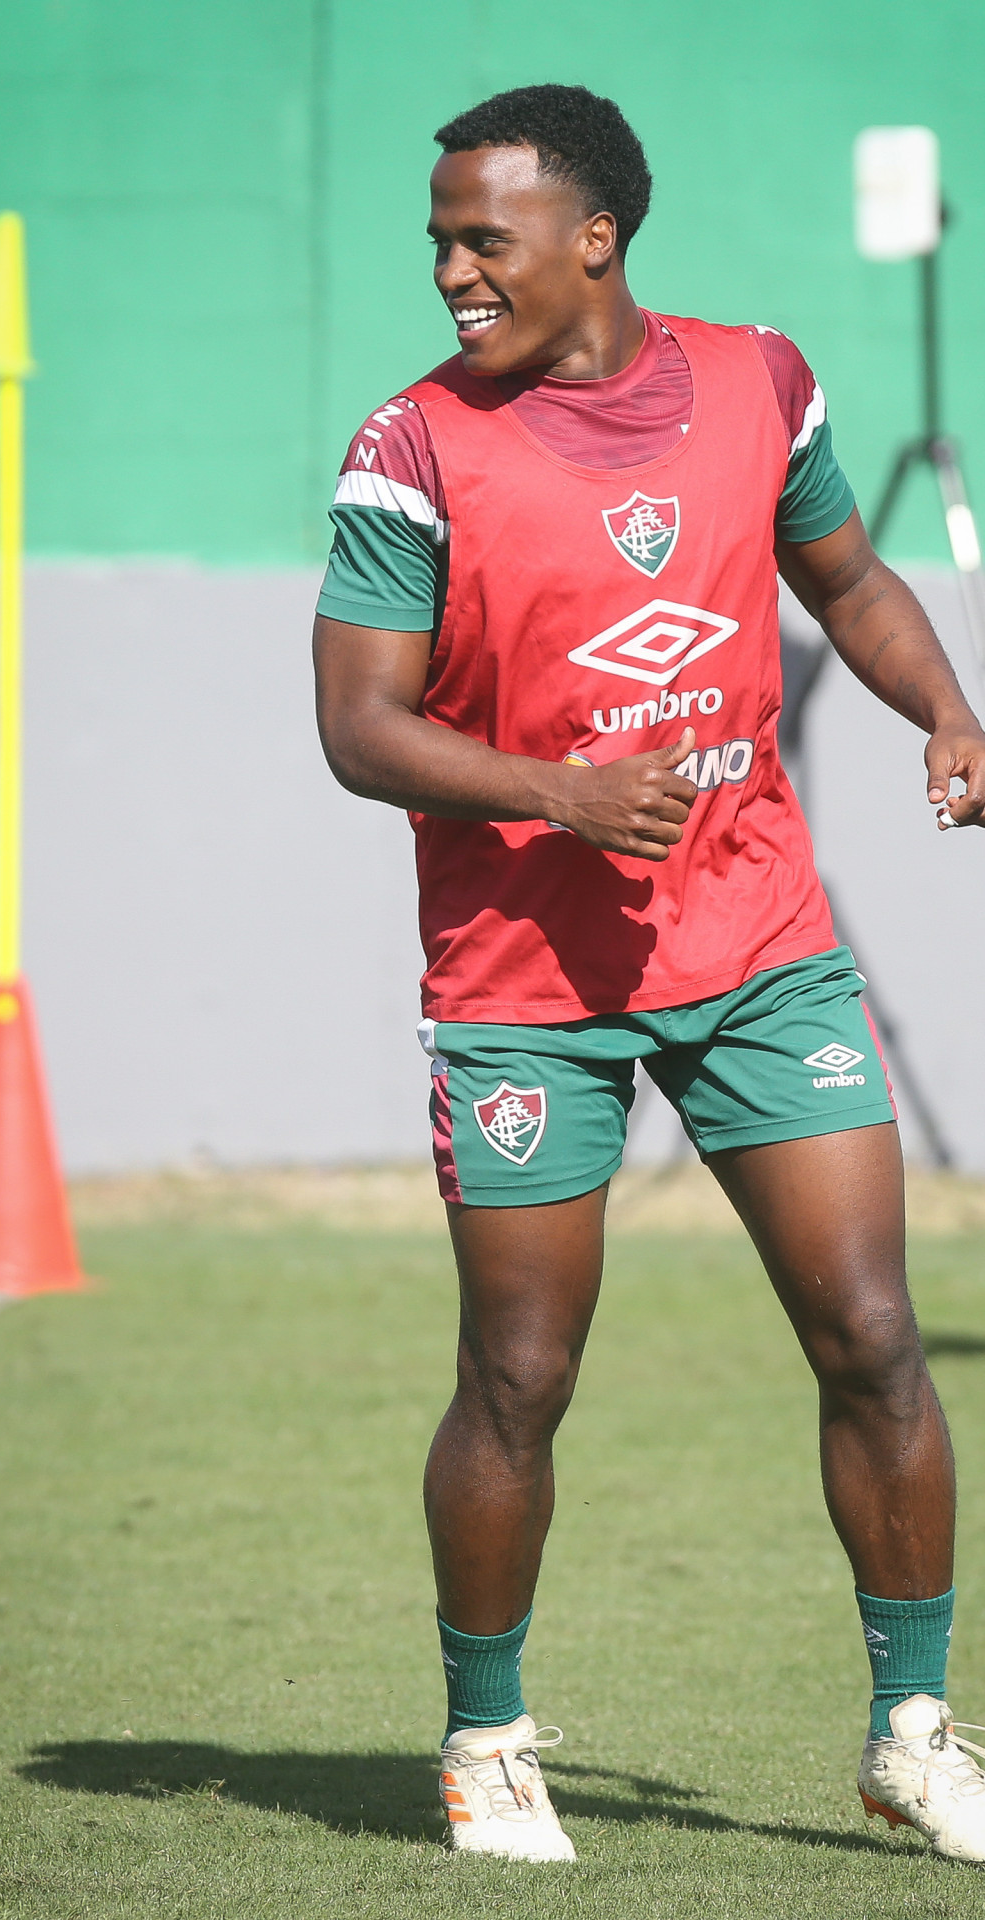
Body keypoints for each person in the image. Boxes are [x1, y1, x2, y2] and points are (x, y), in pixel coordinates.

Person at [313, 83, 985, 1864]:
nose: (454, 269)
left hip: (759, 944)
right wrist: (559, 791)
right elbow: (357, 729)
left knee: (875, 1339)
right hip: (525, 972)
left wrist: (947, 708)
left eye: (486, 237)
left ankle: (917, 1729)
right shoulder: (410, 449)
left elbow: (845, 578)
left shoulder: (761, 378)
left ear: (595, 236)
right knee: (521, 1376)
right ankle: (487, 1739)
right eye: (441, 240)